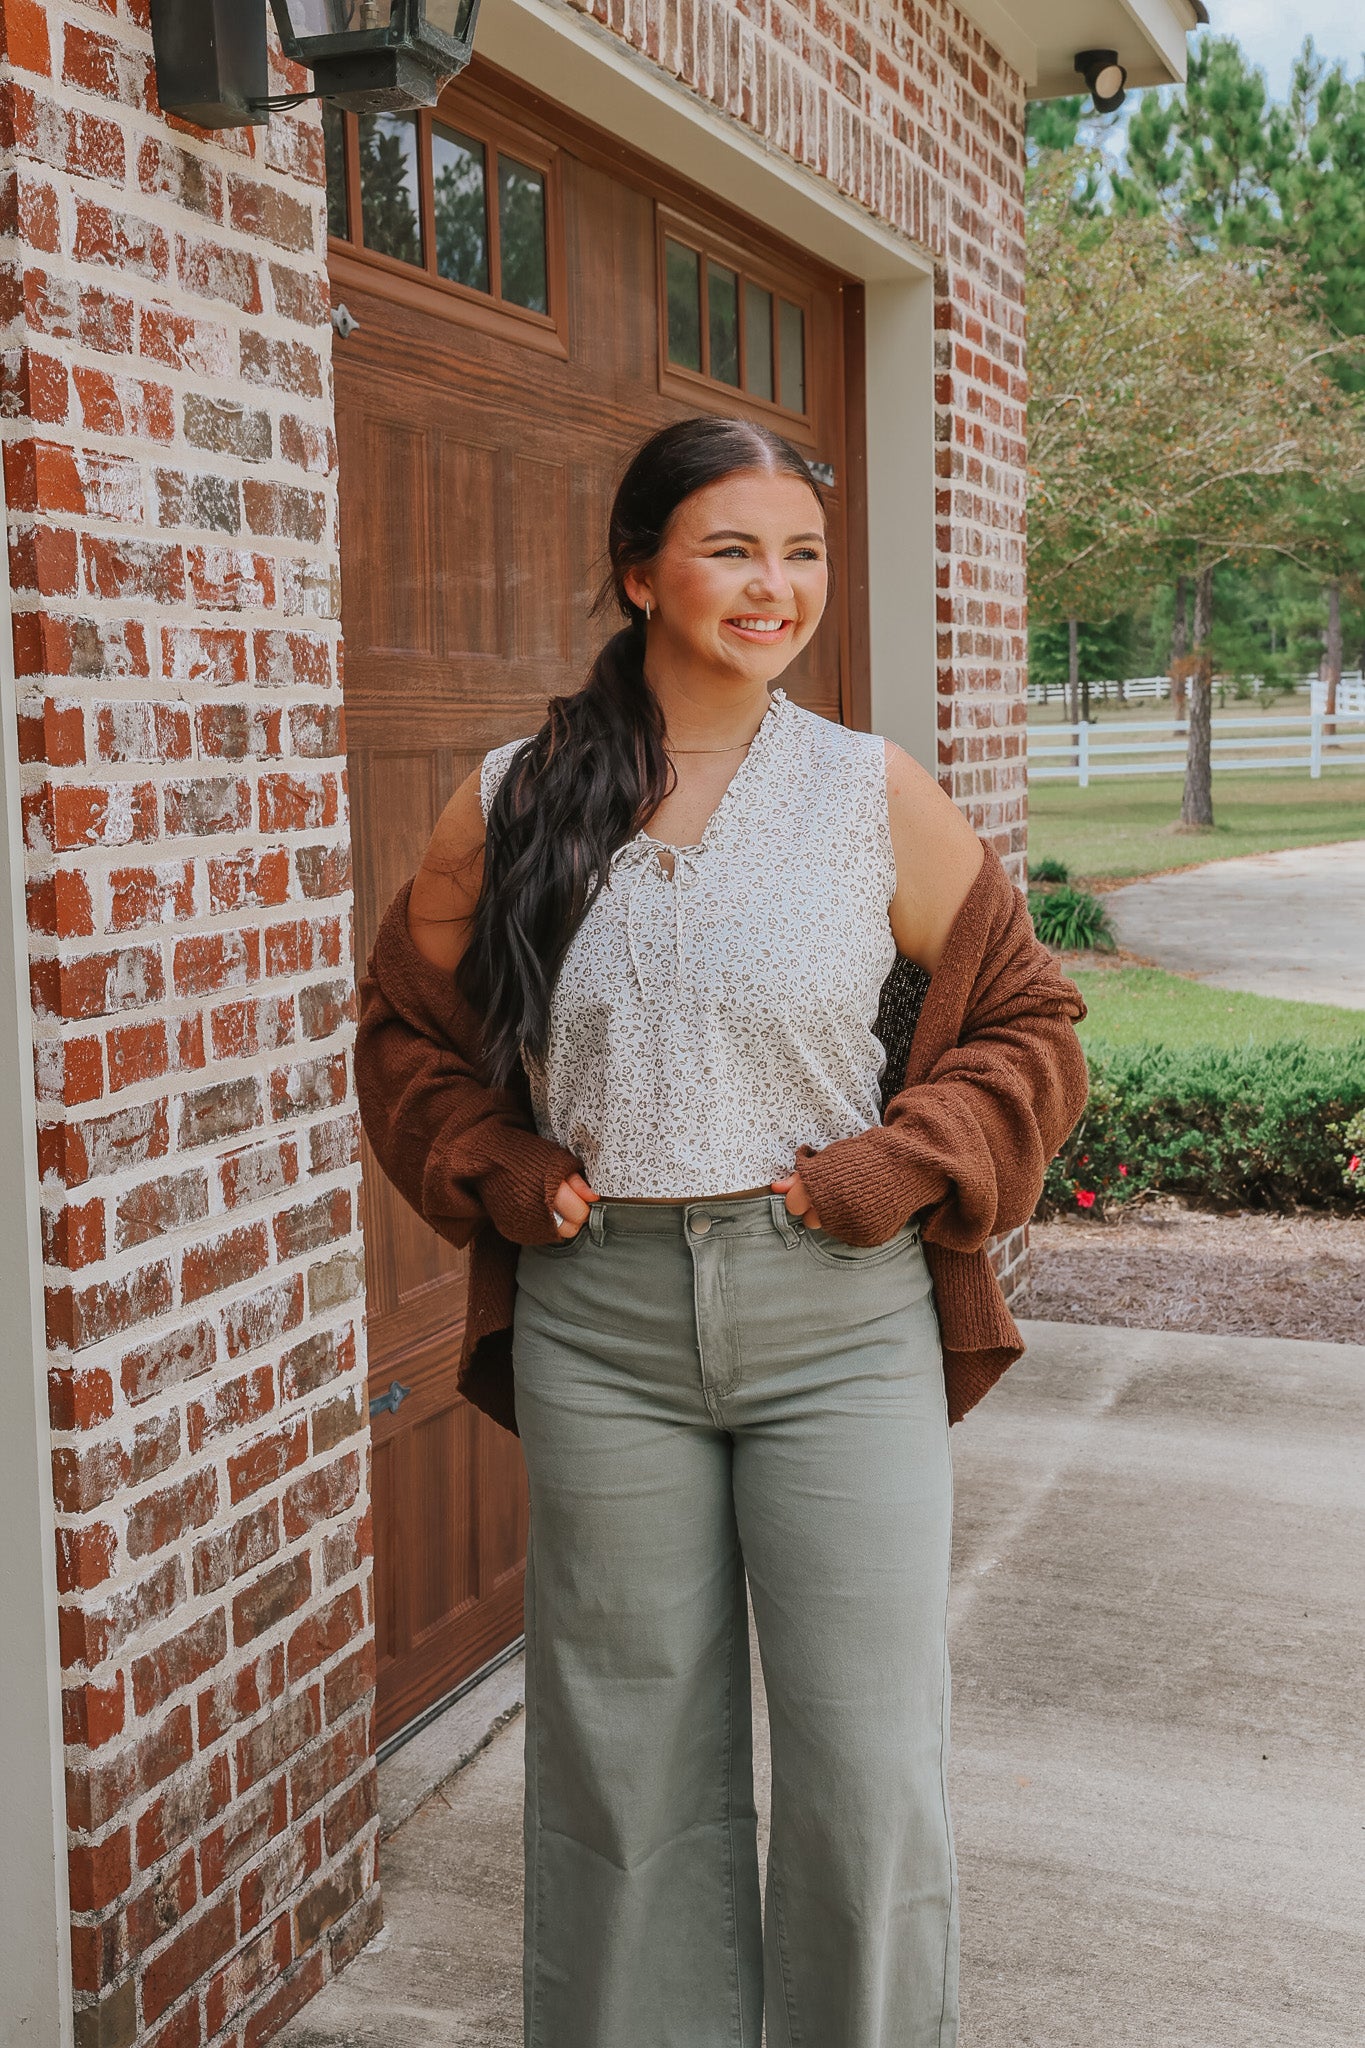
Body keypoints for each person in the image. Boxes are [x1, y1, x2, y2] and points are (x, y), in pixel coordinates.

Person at [355, 414, 1088, 2048]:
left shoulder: (864, 791)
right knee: (620, 1756)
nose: (777, 586)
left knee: (864, 1755)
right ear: (639, 572)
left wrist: (896, 1164)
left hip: (834, 1318)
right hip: (599, 1324)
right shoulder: (517, 797)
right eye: (732, 548)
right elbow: (403, 1032)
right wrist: (492, 1158)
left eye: (803, 553)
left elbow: (1030, 1023)